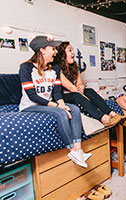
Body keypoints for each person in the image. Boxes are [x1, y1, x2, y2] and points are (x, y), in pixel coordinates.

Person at [19, 36, 90, 168]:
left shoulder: (55, 69)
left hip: (50, 103)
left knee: (73, 109)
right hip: (30, 106)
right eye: (53, 49)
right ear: (42, 50)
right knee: (61, 113)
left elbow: (57, 92)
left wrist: (62, 104)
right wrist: (57, 106)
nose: (56, 52)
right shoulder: (26, 68)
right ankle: (72, 150)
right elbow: (32, 96)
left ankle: (78, 149)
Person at [54, 41, 122, 127]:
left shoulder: (74, 66)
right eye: (70, 50)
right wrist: (88, 100)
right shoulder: (56, 68)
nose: (73, 53)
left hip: (75, 92)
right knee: (76, 95)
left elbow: (79, 84)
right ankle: (103, 118)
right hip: (63, 96)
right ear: (62, 54)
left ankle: (111, 113)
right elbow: (72, 88)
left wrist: (81, 86)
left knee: (89, 90)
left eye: (73, 50)